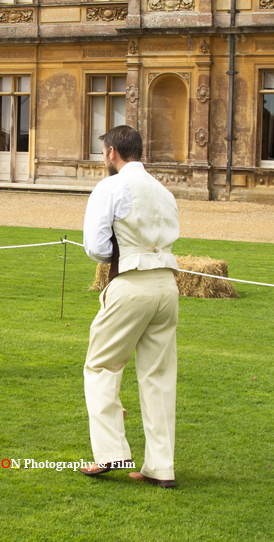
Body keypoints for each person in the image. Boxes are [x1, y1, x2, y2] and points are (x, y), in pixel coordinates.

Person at [79, 125, 180, 488]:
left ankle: (109, 453)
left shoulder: (110, 186)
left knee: (102, 365)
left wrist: (120, 252)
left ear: (111, 153)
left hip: (132, 282)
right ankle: (160, 467)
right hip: (168, 285)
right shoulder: (163, 190)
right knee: (158, 375)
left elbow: (96, 247)